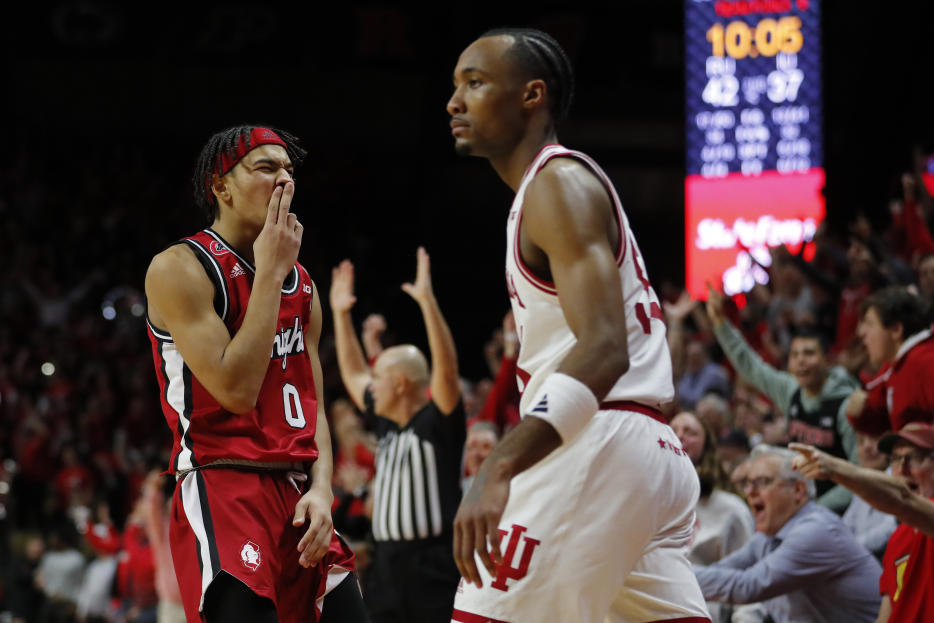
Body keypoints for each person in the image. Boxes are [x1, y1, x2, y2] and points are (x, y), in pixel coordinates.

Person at [447, 28, 709, 623]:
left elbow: (605, 350)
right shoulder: (552, 189)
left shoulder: (558, 184)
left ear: (531, 95)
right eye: (455, 85)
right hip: (647, 449)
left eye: (475, 82)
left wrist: (500, 462)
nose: (454, 101)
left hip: (599, 437)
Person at [144, 125, 367, 623]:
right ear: (219, 187)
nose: (284, 179)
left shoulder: (301, 282)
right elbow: (236, 391)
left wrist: (324, 488)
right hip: (224, 486)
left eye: (289, 168)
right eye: (266, 168)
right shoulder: (179, 267)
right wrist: (268, 274)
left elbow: (313, 405)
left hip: (298, 494)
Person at [329, 249, 465, 623]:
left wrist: (427, 303)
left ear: (402, 383)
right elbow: (355, 375)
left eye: (381, 378)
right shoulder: (387, 423)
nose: (372, 385)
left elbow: (448, 372)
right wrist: (340, 315)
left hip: (432, 567)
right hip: (385, 566)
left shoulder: (438, 424)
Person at [707, 283, 860, 510]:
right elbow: (750, 365)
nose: (800, 360)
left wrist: (815, 508)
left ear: (827, 360)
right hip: (802, 503)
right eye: (795, 354)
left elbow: (858, 475)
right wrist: (721, 323)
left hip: (839, 510)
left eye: (809, 353)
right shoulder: (791, 390)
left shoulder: (846, 403)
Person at [791, 423, 934, 622]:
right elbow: (885, 617)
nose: (902, 468)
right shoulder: (899, 537)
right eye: (896, 459)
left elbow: (902, 499)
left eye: (916, 458)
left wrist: (834, 468)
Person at [694, 446, 882, 623]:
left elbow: (748, 586)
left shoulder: (816, 531)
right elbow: (723, 569)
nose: (749, 492)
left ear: (798, 490)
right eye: (748, 483)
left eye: (763, 482)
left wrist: (670, 573)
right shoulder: (768, 534)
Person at [849, 286, 934, 465]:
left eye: (869, 324)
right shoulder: (895, 365)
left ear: (895, 330)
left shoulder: (924, 360)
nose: (861, 332)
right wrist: (861, 413)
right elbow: (879, 422)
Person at [670, 412, 757, 623]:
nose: (679, 436)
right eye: (673, 431)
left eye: (690, 432)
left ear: (707, 446)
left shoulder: (731, 509)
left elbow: (748, 578)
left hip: (704, 609)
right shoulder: (646, 499)